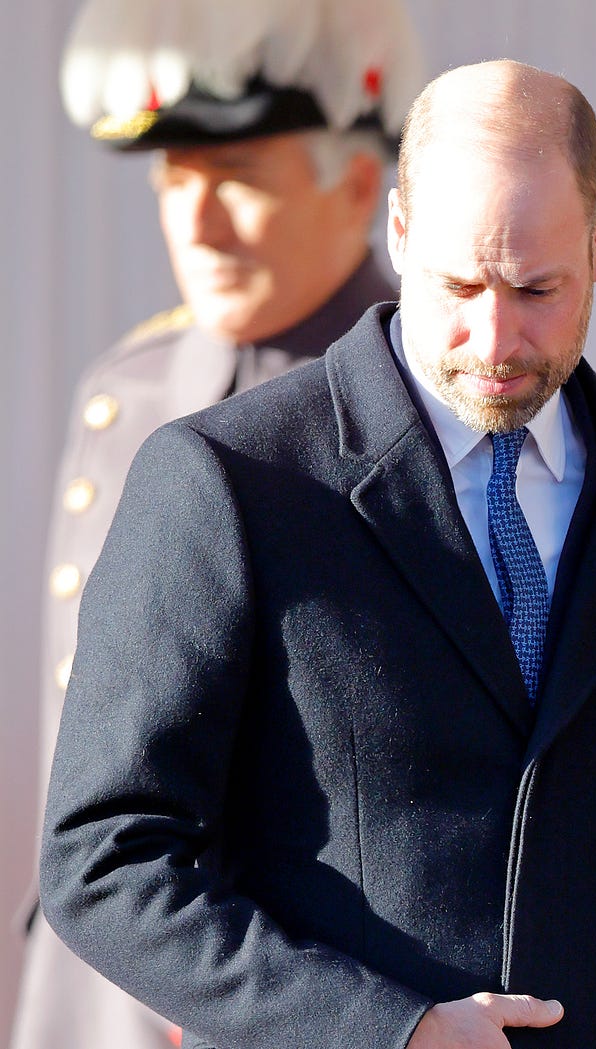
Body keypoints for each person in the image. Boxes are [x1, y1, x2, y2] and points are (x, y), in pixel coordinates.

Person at [38, 60, 596, 1049]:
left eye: (537, 288)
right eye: (459, 285)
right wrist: (391, 1029)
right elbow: (104, 859)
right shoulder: (230, 476)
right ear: (401, 232)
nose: (494, 338)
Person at [14, 3, 422, 1047]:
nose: (196, 221)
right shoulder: (131, 388)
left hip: (311, 991)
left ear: (359, 186)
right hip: (94, 992)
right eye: (174, 179)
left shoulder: (423, 411)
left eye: (236, 176)